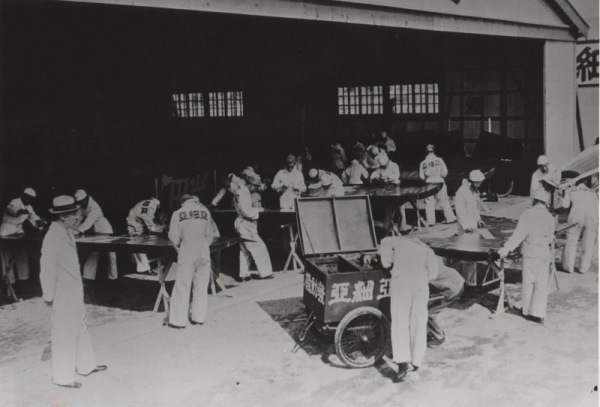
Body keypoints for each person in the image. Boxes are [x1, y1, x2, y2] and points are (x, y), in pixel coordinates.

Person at [40, 195, 106, 388]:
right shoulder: (53, 236)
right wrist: (49, 294)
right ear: (62, 217)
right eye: (74, 214)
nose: (78, 216)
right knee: (64, 333)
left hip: (73, 291)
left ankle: (86, 365)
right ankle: (63, 377)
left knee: (81, 327)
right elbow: (47, 267)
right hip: (62, 293)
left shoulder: (66, 231)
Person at [379, 235, 439, 382]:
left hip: (402, 280)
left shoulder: (395, 241)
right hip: (420, 283)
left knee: (400, 321)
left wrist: (387, 264)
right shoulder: (426, 249)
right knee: (419, 321)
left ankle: (402, 363)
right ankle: (417, 361)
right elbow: (434, 274)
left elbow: (384, 243)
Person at [498, 189, 556, 324]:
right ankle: (539, 313)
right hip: (543, 253)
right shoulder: (549, 217)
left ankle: (527, 311)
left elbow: (519, 234)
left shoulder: (528, 214)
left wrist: (506, 248)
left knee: (528, 282)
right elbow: (549, 237)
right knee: (541, 283)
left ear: (534, 200)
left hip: (531, 253)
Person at [167, 195, 213, 328]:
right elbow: (209, 235)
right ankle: (198, 317)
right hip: (203, 250)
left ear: (182, 203)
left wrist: (180, 251)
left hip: (187, 250)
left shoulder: (178, 213)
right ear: (195, 201)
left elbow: (174, 238)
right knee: (201, 285)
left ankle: (178, 321)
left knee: (182, 285)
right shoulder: (205, 212)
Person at [234, 174, 274, 281]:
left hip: (242, 223)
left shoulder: (241, 191)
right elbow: (247, 212)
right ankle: (265, 273)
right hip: (246, 224)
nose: (256, 189)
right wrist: (259, 210)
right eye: (255, 187)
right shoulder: (244, 193)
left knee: (244, 250)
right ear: (251, 185)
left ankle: (244, 274)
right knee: (260, 248)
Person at [0, 187, 45, 283]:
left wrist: (39, 222)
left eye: (31, 199)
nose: (29, 200)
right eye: (28, 198)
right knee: (6, 255)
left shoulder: (29, 207)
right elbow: (11, 209)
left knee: (22, 252)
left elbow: (33, 217)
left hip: (18, 231)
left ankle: (23, 279)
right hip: (7, 230)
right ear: (23, 196)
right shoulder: (15, 202)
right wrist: (20, 211)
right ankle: (9, 281)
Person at [73, 190, 117, 280]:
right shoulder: (81, 206)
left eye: (81, 201)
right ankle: (88, 276)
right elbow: (78, 219)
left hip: (105, 231)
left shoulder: (95, 206)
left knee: (111, 254)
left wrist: (77, 231)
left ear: (86, 198)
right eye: (79, 202)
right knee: (93, 252)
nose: (80, 203)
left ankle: (113, 277)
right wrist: (73, 230)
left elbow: (88, 221)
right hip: (94, 232)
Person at [454, 170, 487, 285]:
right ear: (472, 182)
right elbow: (459, 210)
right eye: (477, 183)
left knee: (473, 255)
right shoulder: (461, 192)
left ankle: (471, 283)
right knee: (465, 256)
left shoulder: (474, 191)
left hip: (473, 226)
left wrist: (478, 219)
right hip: (465, 227)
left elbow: (475, 208)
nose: (479, 185)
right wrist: (466, 226)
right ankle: (461, 283)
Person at [561, 179, 598, 274]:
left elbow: (565, 205)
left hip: (575, 216)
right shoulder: (592, 192)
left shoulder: (571, 190)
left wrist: (563, 194)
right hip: (591, 217)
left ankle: (568, 266)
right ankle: (583, 268)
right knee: (588, 242)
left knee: (571, 241)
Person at [427, 258, 464, 349]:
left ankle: (439, 337)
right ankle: (432, 330)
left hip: (451, 288)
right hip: (457, 279)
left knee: (429, 313)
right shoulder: (427, 254)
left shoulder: (419, 269)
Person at [419, 144, 457, 226]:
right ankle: (450, 218)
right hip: (440, 181)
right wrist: (440, 176)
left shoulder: (423, 163)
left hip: (429, 183)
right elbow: (445, 173)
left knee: (429, 202)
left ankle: (430, 221)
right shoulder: (439, 160)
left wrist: (428, 178)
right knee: (444, 200)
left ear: (425, 152)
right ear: (433, 151)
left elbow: (421, 177)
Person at [370, 155, 409, 232]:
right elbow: (375, 173)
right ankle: (387, 227)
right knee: (388, 206)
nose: (383, 166)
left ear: (387, 161)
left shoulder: (394, 165)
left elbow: (397, 175)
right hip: (387, 187)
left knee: (400, 207)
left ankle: (402, 227)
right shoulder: (381, 167)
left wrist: (387, 177)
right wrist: (374, 177)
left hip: (395, 186)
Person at [126, 198, 166, 274]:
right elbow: (152, 228)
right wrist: (162, 228)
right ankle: (144, 269)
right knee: (137, 244)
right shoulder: (148, 212)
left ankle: (136, 264)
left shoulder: (154, 202)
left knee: (137, 244)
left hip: (137, 216)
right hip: (134, 221)